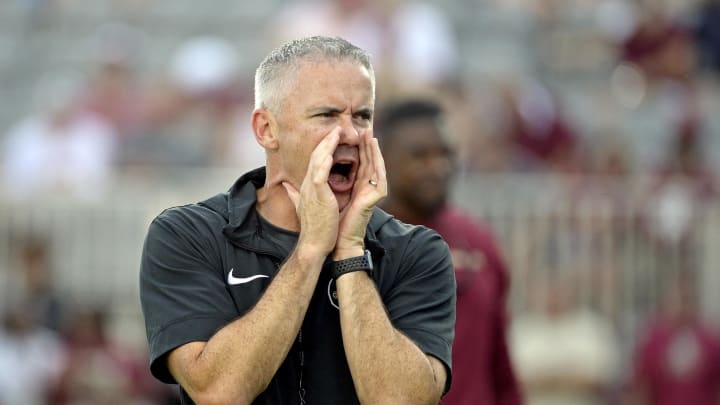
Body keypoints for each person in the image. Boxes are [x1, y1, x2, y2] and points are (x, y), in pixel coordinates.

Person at [139, 36, 456, 405]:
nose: (351, 133)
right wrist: (309, 251)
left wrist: (350, 251)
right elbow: (218, 393)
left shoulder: (417, 250)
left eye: (362, 116)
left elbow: (402, 401)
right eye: (327, 115)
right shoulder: (189, 234)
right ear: (267, 130)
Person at [376, 98, 522, 404]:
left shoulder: (479, 243)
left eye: (445, 154)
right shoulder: (356, 243)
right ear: (382, 158)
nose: (438, 167)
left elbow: (501, 366)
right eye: (420, 156)